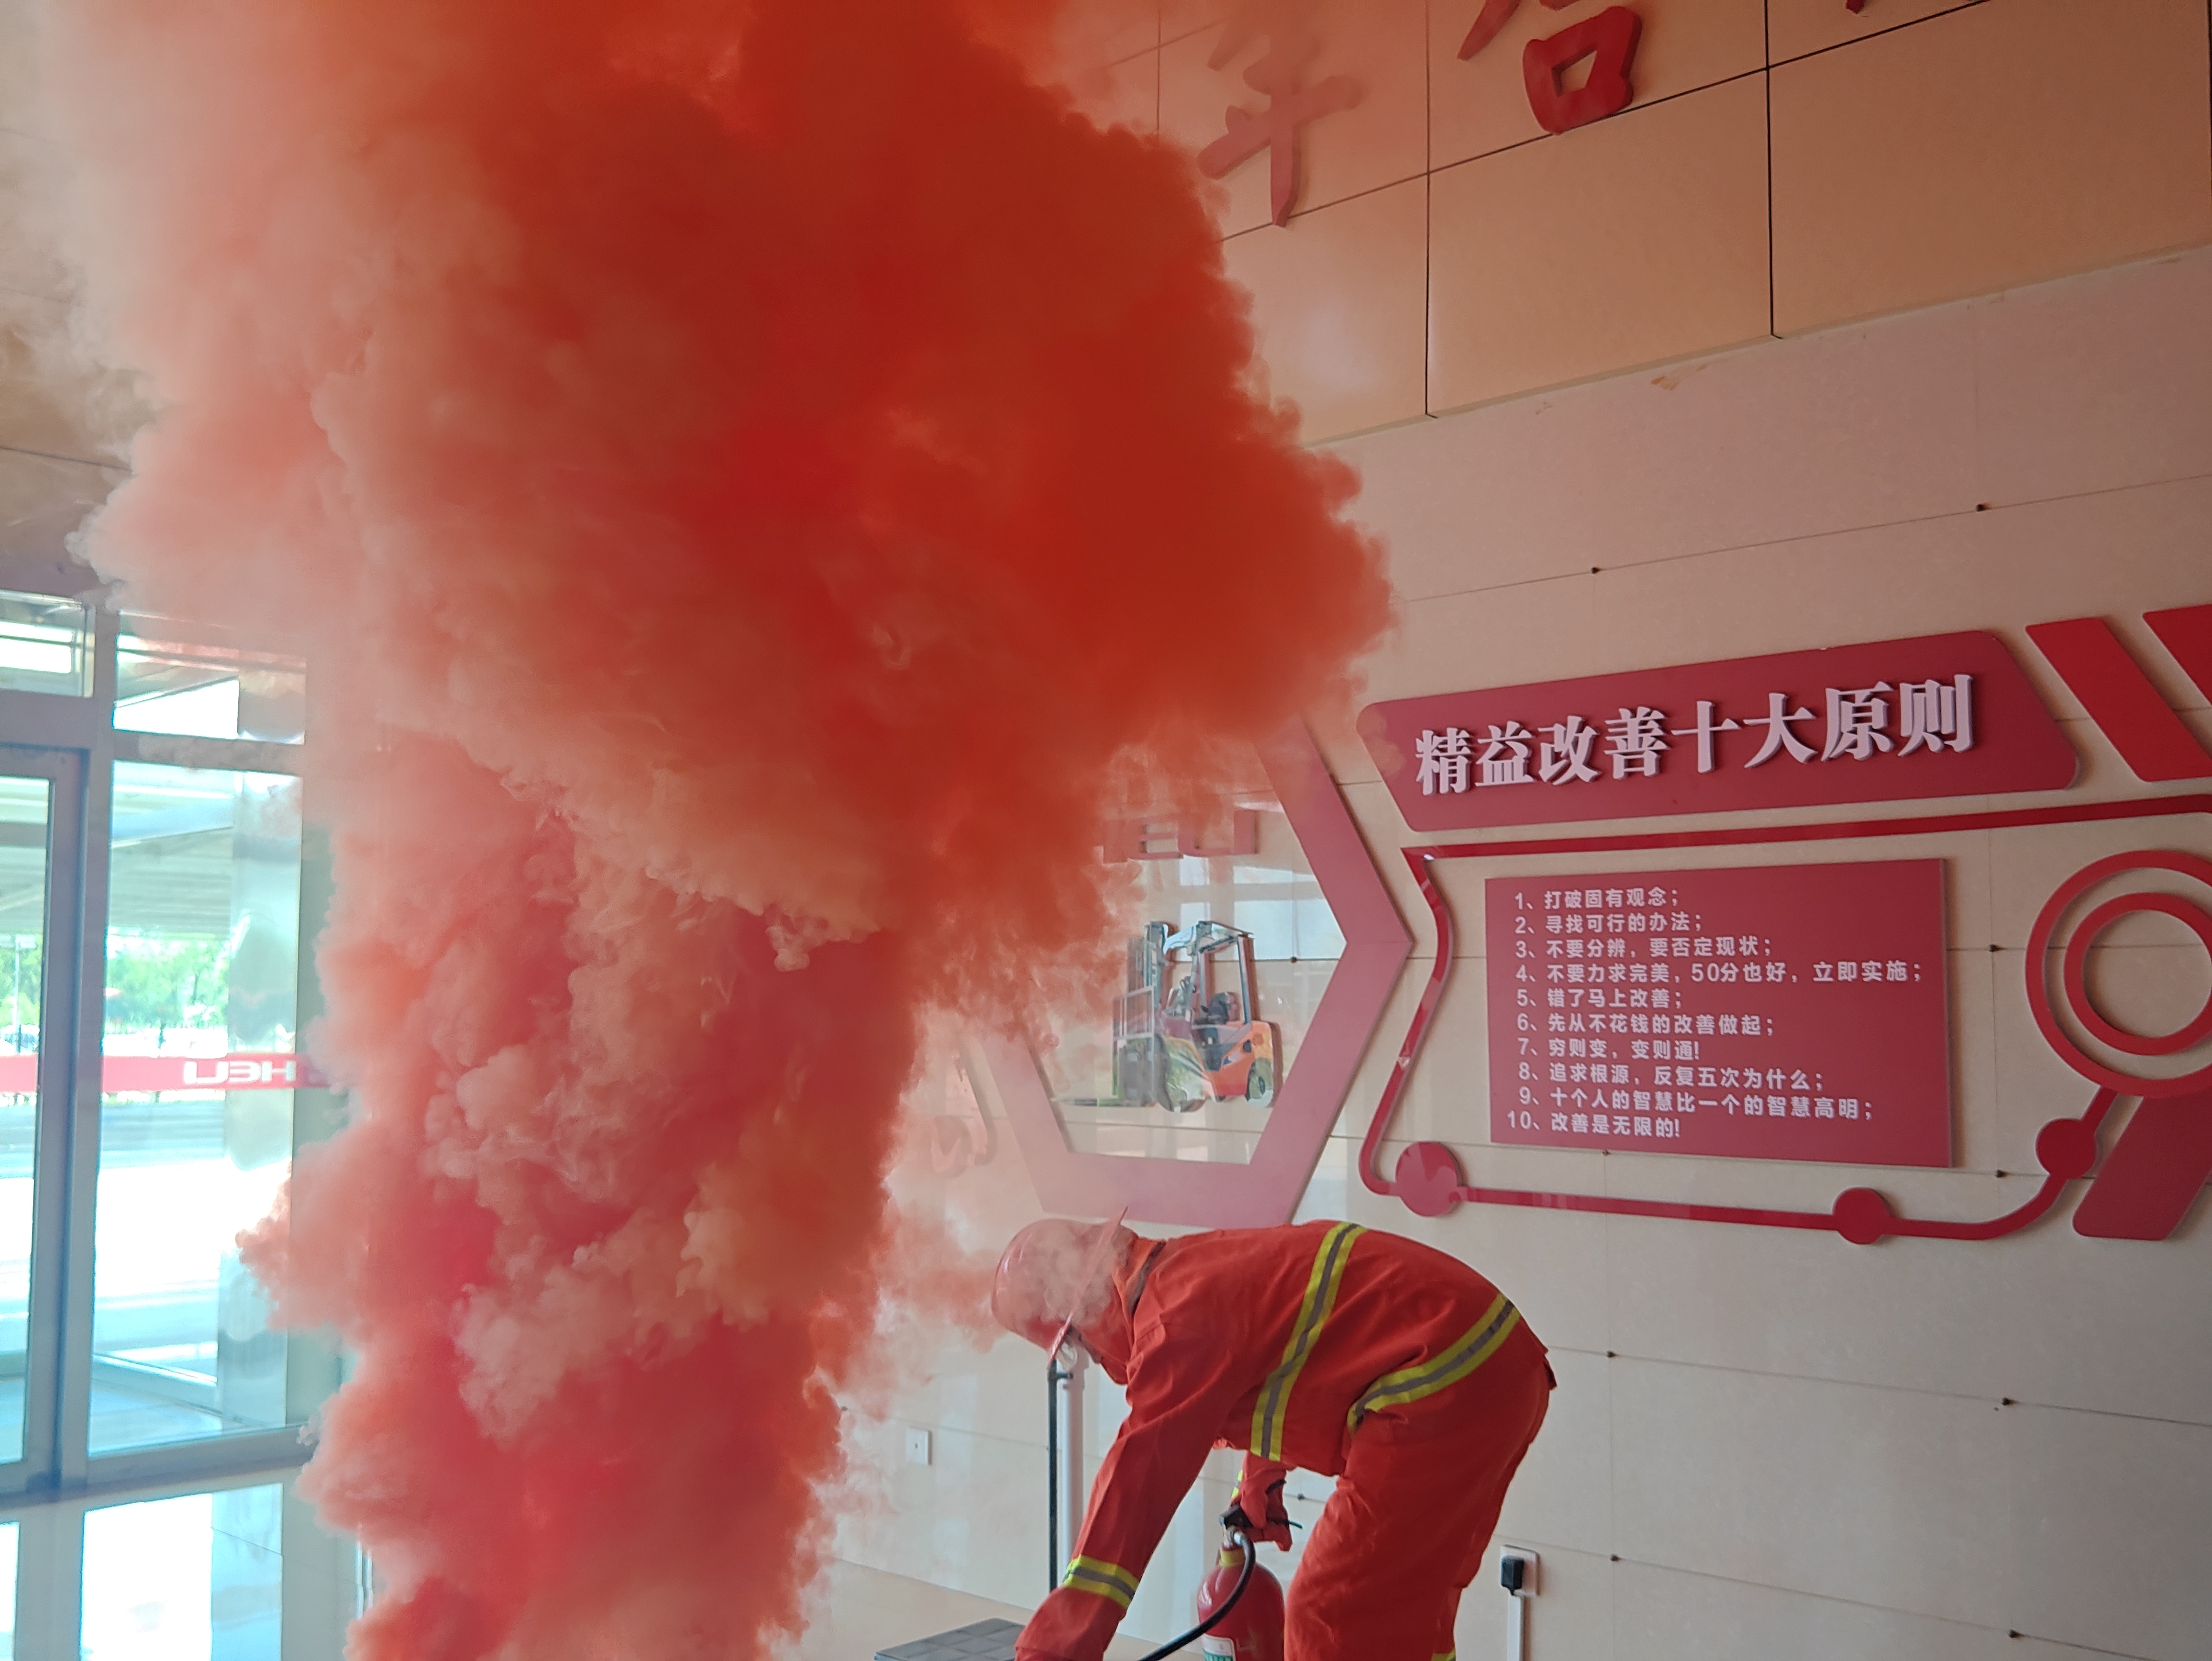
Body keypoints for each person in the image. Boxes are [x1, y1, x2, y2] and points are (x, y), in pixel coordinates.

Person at [992, 1216, 1552, 1661]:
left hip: (1443, 1377)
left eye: (1080, 1346)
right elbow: (1286, 1351)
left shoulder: (1172, 1324)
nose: (1096, 1360)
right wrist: (1260, 1477)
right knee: (1405, 1610)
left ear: (1086, 1312)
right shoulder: (1190, 1271)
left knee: (1332, 1610)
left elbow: (1136, 1484)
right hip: (1493, 1367)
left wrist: (1053, 1648)